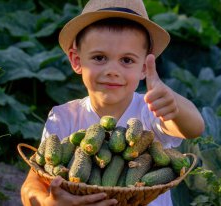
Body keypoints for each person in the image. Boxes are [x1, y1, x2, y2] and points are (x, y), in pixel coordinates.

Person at [21, 0, 205, 205]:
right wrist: (47, 203)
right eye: (100, 57)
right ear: (76, 60)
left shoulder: (149, 112)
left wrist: (173, 104)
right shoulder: (64, 117)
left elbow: (194, 128)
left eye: (127, 60)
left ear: (144, 67)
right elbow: (32, 184)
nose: (112, 70)